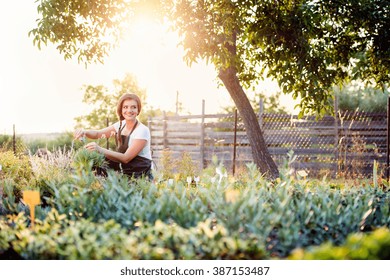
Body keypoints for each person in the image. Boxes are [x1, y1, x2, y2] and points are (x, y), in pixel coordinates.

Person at [74, 93, 153, 180]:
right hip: (126, 170)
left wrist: (99, 149)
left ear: (138, 110)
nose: (129, 110)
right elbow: (98, 134)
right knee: (95, 163)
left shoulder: (142, 130)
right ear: (121, 110)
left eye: (133, 107)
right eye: (125, 107)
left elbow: (126, 158)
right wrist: (84, 132)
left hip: (141, 174)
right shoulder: (121, 125)